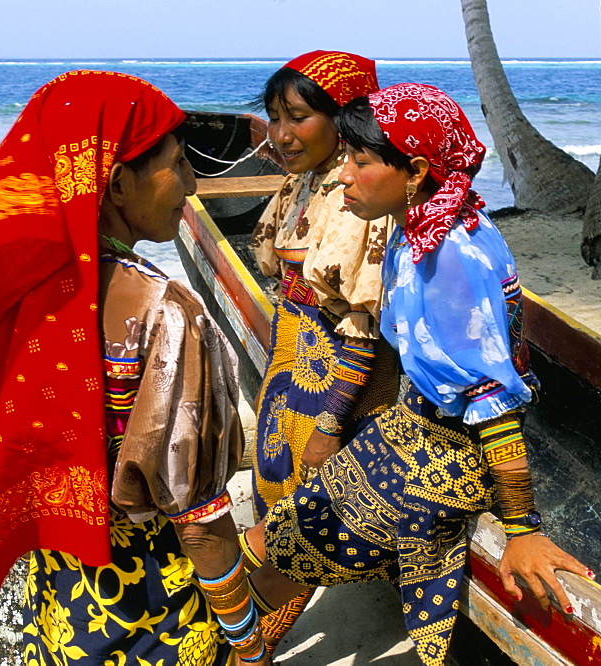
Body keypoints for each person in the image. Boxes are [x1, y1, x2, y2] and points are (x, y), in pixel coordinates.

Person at [0, 71, 269, 665]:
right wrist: (249, 643)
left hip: (61, 618)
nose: (194, 185)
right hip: (157, 622)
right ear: (118, 184)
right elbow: (199, 520)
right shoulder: (164, 314)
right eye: (179, 165)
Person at [242, 83, 595, 664]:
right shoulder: (420, 228)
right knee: (279, 536)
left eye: (359, 162)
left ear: (416, 169)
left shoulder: (449, 254)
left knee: (273, 546)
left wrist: (523, 528)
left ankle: (234, 643)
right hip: (412, 427)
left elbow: (492, 399)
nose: (345, 178)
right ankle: (243, 641)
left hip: (448, 453)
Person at [247, 52, 400, 649]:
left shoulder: (358, 196)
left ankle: (247, 645)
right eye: (273, 117)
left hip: (336, 393)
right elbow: (275, 267)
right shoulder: (305, 182)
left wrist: (332, 421)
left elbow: (362, 322)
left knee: (301, 534)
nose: (281, 135)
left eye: (298, 117)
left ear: (344, 117)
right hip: (289, 375)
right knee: (274, 501)